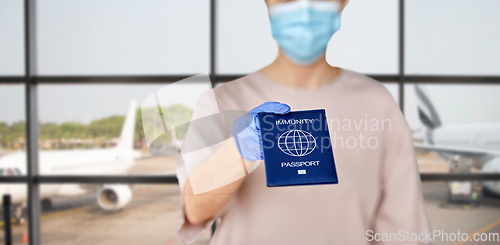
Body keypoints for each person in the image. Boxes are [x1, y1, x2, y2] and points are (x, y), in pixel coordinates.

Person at [176, 0, 431, 244]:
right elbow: (195, 210)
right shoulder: (222, 100)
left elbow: (405, 228)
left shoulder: (379, 105)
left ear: (343, 2)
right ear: (267, 3)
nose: (305, 10)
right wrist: (238, 152)